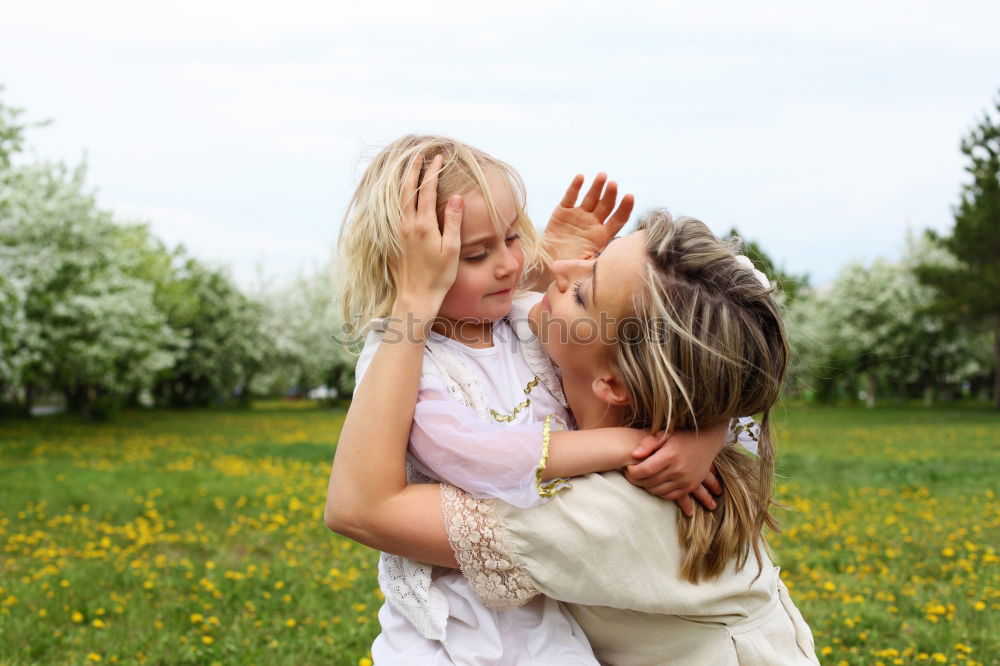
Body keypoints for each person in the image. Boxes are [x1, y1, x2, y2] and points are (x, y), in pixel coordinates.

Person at [325, 174, 819, 663]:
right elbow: (733, 336)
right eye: (594, 258)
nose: (560, 264)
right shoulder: (675, 416)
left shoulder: (604, 511)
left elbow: (361, 509)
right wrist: (706, 430)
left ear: (615, 384)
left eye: (585, 291)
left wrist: (411, 305)